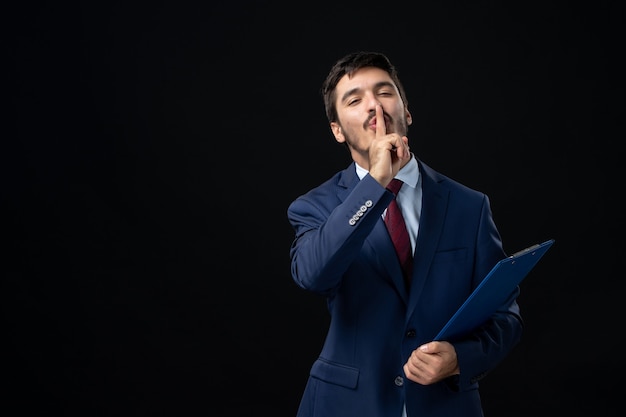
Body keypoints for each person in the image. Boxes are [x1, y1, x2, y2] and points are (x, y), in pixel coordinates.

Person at [286, 51, 523, 417]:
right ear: (337, 130)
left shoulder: (469, 206)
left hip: (445, 404)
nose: (374, 107)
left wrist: (460, 359)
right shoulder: (314, 206)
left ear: (406, 111)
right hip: (347, 405)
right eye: (355, 99)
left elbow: (505, 317)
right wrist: (377, 183)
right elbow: (315, 275)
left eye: (384, 92)